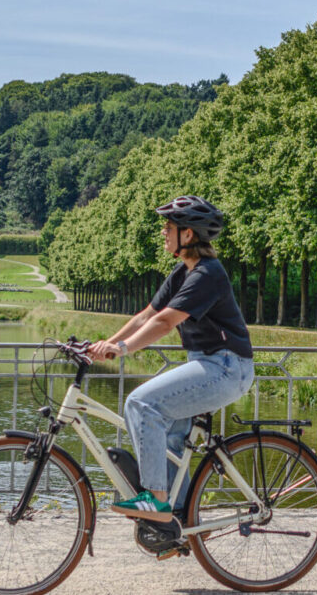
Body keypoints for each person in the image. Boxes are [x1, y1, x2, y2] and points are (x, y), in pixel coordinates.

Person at [86, 196, 255, 526]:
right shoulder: (184, 271)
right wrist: (108, 343)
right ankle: (175, 525)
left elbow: (165, 323)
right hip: (209, 364)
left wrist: (123, 349)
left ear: (188, 235)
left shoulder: (207, 274)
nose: (163, 233)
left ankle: (156, 500)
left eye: (169, 227)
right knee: (170, 440)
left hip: (225, 368)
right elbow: (148, 314)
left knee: (140, 405)